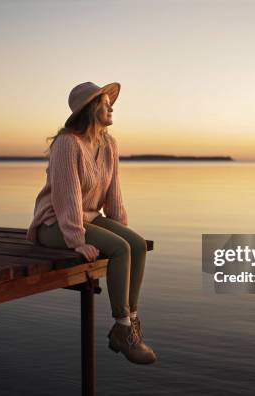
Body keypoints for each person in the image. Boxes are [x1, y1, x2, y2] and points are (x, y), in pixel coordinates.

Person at [26, 82, 157, 364]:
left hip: (88, 217)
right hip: (54, 224)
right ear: (90, 109)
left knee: (135, 243)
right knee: (120, 249)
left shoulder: (109, 144)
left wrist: (121, 225)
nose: (111, 106)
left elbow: (114, 193)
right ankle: (122, 326)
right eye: (105, 102)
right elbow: (65, 197)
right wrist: (77, 241)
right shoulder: (67, 144)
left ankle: (131, 323)